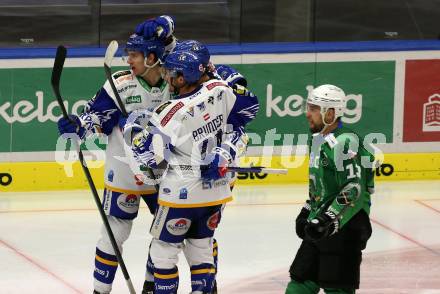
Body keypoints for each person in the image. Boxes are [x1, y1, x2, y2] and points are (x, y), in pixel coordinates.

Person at [129, 49, 258, 293]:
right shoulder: (220, 90)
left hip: (180, 194)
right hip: (215, 192)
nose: (166, 77)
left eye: (171, 74)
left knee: (163, 253)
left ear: (181, 78)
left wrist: (135, 134)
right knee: (201, 250)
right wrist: (224, 153)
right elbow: (243, 120)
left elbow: (151, 161)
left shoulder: (169, 112)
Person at [57, 33, 171, 294]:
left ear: (152, 57)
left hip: (163, 173)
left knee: (164, 235)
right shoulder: (119, 83)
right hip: (124, 174)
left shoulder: (172, 80)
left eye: (134, 55)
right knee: (113, 235)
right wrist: (78, 125)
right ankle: (100, 290)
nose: (128, 60)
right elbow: (95, 116)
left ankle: (151, 286)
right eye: (127, 54)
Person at [285, 84, 375, 294]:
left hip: (347, 226)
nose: (308, 114)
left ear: (331, 113)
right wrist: (308, 210)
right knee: (298, 284)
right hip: (323, 222)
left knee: (337, 289)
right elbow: (320, 187)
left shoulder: (345, 143)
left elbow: (354, 189)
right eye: (309, 107)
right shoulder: (317, 140)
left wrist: (327, 219)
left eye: (314, 109)